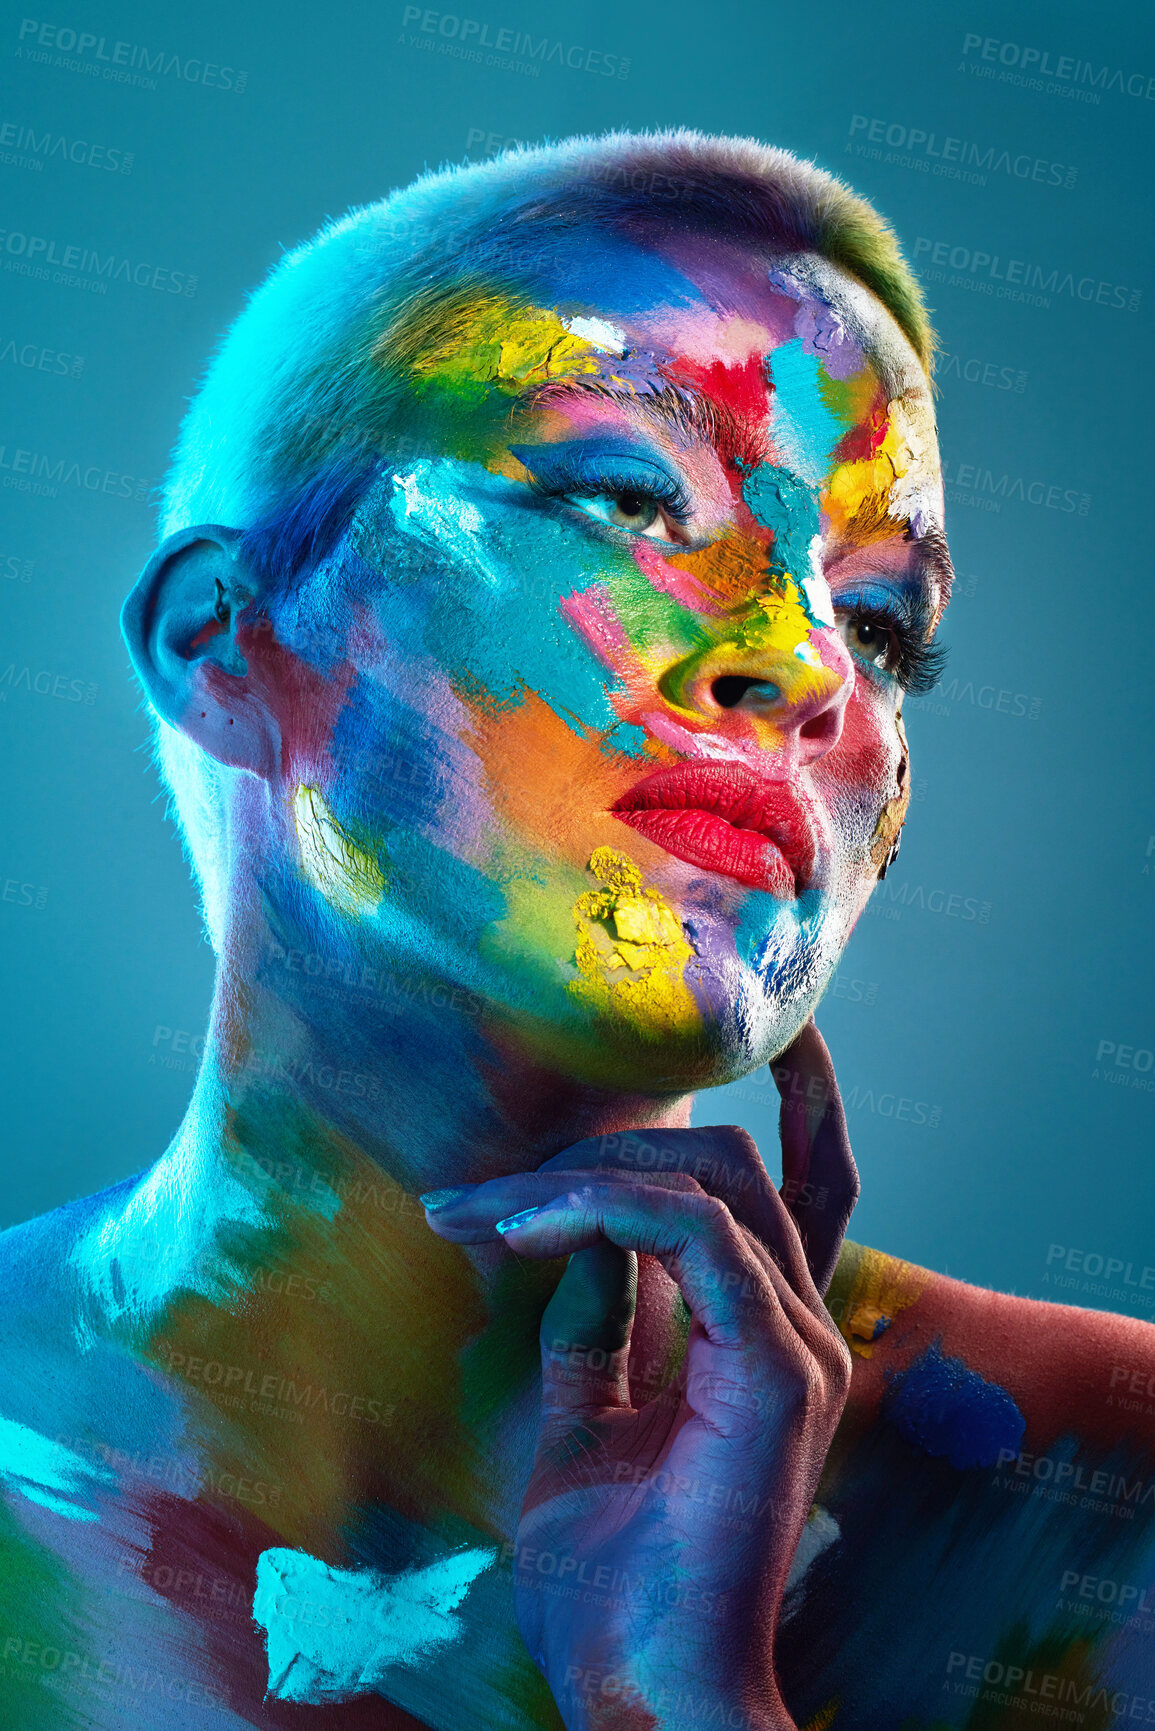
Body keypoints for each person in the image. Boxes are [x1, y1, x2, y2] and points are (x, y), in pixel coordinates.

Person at [1, 129, 1152, 1731]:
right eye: (627, 499)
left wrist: (682, 1701)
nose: (808, 666)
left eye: (882, 618)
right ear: (224, 638)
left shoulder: (1105, 1493)